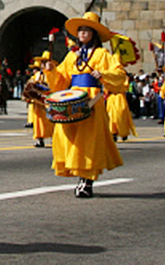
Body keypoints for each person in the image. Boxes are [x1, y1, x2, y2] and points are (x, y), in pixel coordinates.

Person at [42, 11, 125, 199]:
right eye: (80, 30)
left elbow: (119, 75)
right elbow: (61, 79)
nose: (82, 34)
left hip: (91, 99)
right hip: (73, 97)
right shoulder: (73, 56)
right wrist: (51, 71)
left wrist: (103, 75)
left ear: (94, 34)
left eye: (87, 30)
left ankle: (87, 180)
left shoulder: (103, 54)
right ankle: (76, 170)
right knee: (64, 135)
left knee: (89, 140)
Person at [25, 52, 55, 148]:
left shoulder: (53, 73)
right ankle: (40, 139)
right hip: (38, 102)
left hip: (48, 100)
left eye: (45, 62)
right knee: (38, 122)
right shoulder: (37, 75)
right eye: (42, 62)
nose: (43, 64)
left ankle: (54, 139)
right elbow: (30, 84)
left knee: (52, 121)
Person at [107, 59, 137, 142]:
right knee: (111, 116)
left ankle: (123, 132)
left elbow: (125, 86)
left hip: (120, 97)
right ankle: (113, 132)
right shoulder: (109, 74)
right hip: (112, 97)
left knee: (121, 115)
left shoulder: (122, 75)